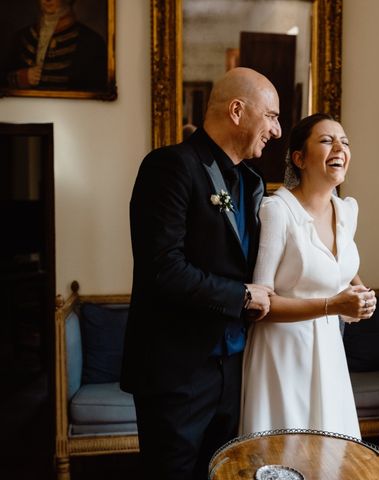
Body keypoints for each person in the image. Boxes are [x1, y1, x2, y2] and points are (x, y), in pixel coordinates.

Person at [121, 67, 281, 480]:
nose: (277, 130)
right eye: (272, 116)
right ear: (236, 111)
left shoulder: (252, 182)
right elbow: (163, 269)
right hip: (177, 373)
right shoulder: (170, 166)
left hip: (234, 371)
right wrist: (242, 296)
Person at [239, 113, 377, 439]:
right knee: (284, 453)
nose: (339, 148)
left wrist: (360, 292)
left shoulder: (347, 211)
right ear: (299, 158)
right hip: (281, 354)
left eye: (344, 141)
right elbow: (262, 304)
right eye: (327, 141)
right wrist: (335, 305)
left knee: (330, 452)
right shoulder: (278, 211)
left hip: (329, 349)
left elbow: (337, 262)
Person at [2, 0, 107, 90]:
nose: (47, 0)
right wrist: (22, 78)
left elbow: (96, 90)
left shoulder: (91, 41)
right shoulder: (22, 37)